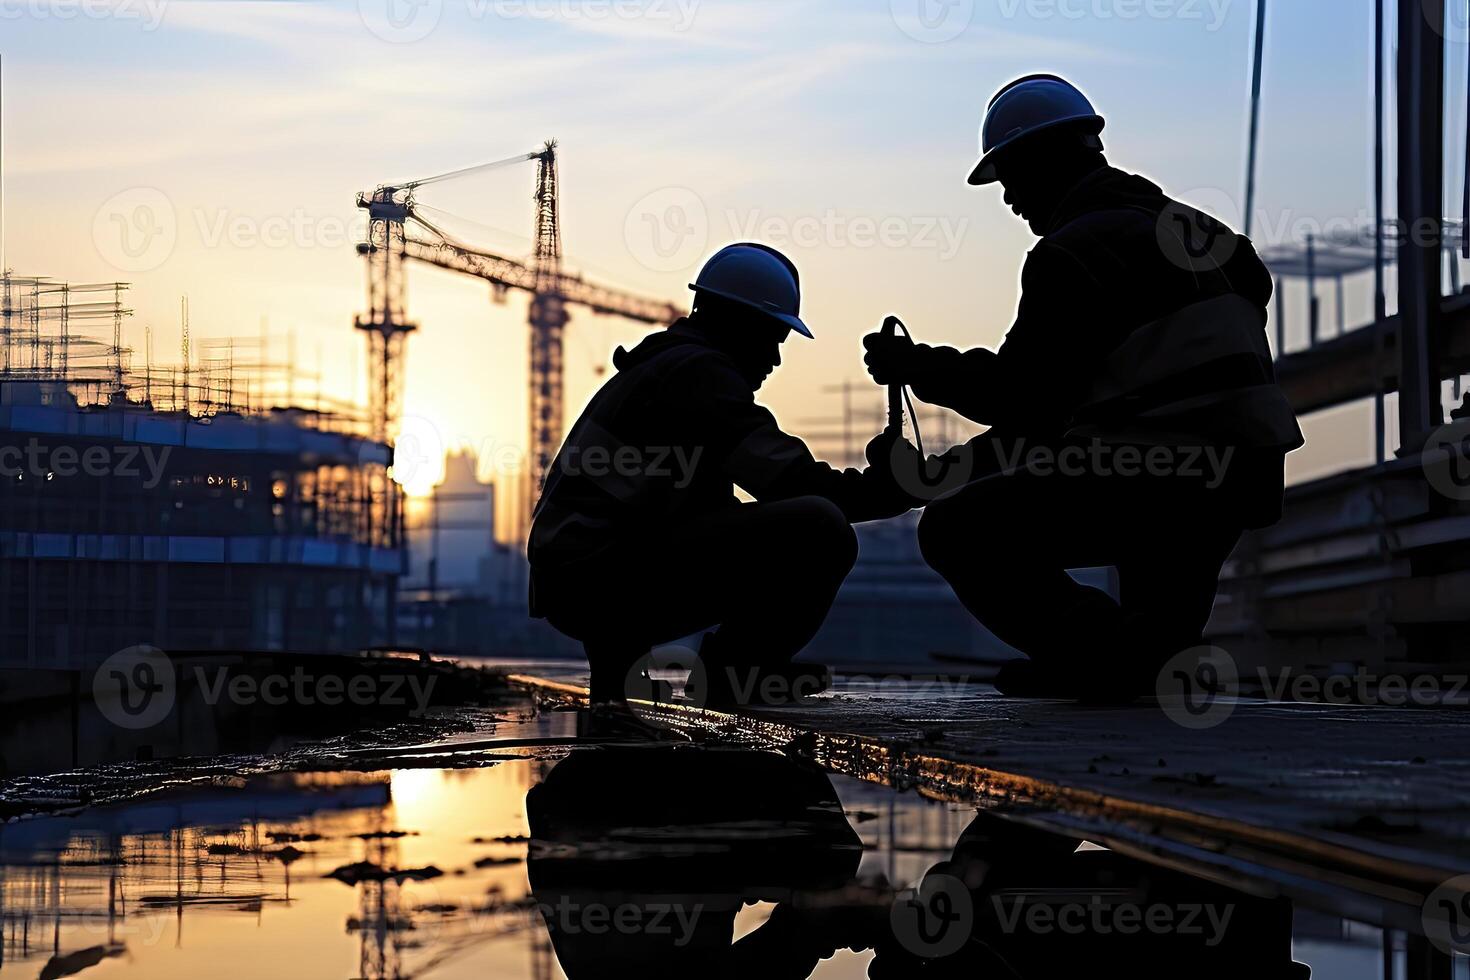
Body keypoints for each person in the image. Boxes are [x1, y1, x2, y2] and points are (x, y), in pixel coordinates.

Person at [863, 75, 1304, 699]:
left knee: (957, 531)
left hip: (1152, 477)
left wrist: (916, 369)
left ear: (1044, 161)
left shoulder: (1075, 252)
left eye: (1010, 179)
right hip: (1238, 481)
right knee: (1155, 659)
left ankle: (1101, 649)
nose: (1011, 201)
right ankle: (1132, 651)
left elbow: (1020, 400)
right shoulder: (1218, 243)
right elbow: (1061, 416)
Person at [530, 242, 916, 705]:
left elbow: (700, 516)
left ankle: (623, 668)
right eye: (773, 339)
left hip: (578, 581)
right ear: (739, 324)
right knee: (820, 528)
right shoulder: (697, 374)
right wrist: (892, 488)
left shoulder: (660, 368)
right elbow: (788, 481)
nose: (774, 360)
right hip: (597, 580)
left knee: (745, 520)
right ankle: (736, 673)